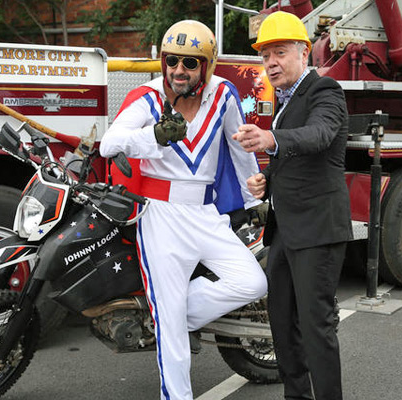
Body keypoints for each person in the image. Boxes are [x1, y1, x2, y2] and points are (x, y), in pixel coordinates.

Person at [99, 20, 267, 400]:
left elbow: (240, 149)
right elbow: (109, 144)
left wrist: (255, 197)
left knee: (253, 282)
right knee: (171, 327)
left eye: (190, 63)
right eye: (172, 60)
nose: (179, 70)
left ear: (205, 66)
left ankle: (166, 317)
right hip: (159, 215)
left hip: (205, 213)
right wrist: (153, 136)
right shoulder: (147, 97)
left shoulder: (223, 94)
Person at [232, 11, 351, 400]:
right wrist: (265, 183)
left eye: (279, 53)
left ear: (303, 52)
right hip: (285, 231)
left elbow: (319, 135)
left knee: (316, 327)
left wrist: (270, 140)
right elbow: (294, 159)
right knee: (282, 326)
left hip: (317, 230)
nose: (270, 63)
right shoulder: (285, 102)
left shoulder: (325, 90)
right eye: (266, 56)